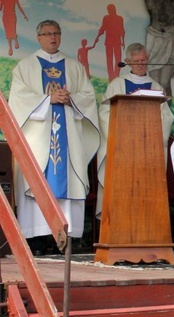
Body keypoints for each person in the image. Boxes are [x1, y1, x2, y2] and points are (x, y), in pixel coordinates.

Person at [9, 19, 100, 254]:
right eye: (47, 34)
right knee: (37, 179)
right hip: (38, 141)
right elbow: (18, 100)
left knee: (67, 181)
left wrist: (73, 99)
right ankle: (38, 239)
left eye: (56, 33)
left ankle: (65, 239)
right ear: (39, 38)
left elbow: (88, 96)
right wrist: (48, 99)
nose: (52, 37)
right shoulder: (25, 67)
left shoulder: (74, 67)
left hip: (68, 137)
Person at [97, 42, 174, 215]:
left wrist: (153, 136)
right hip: (122, 149)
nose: (140, 64)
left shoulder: (156, 87)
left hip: (148, 151)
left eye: (143, 60)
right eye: (136, 61)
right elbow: (104, 113)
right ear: (127, 62)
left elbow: (166, 117)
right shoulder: (117, 85)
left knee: (146, 193)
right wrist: (121, 133)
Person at [144, 0, 174, 97]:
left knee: (165, 83)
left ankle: (165, 111)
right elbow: (151, 8)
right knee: (154, 83)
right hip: (154, 35)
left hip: (169, 35)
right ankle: (156, 110)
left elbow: (171, 14)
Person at [94, 3, 125, 81]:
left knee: (118, 58)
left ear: (114, 10)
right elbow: (102, 28)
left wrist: (123, 41)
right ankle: (111, 76)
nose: (109, 11)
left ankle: (116, 75)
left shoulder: (119, 18)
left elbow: (121, 30)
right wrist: (97, 37)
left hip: (117, 41)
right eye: (109, 10)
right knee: (109, 59)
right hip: (109, 41)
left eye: (111, 10)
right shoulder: (106, 18)